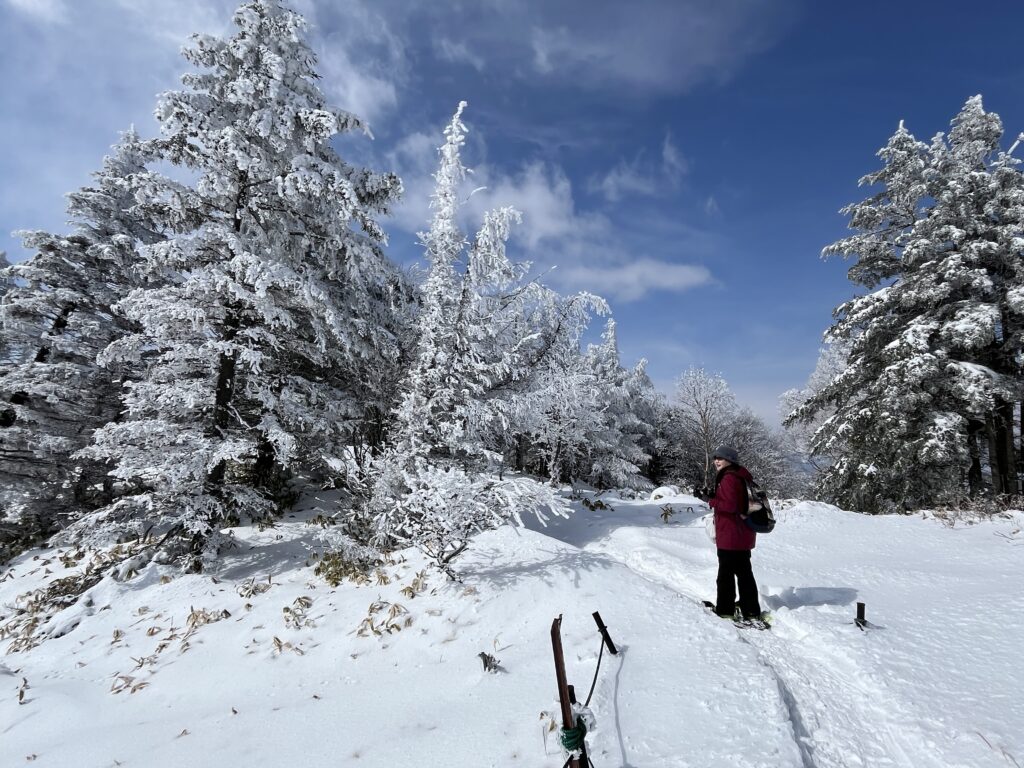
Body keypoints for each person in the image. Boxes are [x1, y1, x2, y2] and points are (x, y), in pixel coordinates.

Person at [697, 446, 763, 622]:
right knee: (744, 573)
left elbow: (730, 506)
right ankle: (750, 610)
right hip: (742, 534)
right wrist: (714, 495)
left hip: (731, 534)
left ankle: (725, 610)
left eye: (721, 458)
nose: (716, 461)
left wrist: (709, 500)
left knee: (725, 575)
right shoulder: (741, 475)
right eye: (715, 458)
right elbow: (735, 501)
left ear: (730, 460)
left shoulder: (729, 477)